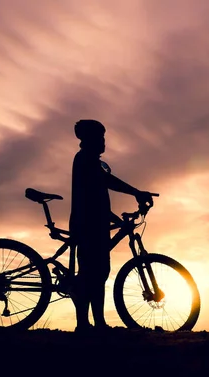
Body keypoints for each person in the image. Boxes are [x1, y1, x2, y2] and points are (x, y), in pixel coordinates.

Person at [69, 119, 154, 333]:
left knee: (97, 273)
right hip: (88, 224)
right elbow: (107, 182)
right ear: (90, 140)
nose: (104, 142)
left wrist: (114, 219)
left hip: (93, 221)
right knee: (92, 273)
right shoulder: (86, 160)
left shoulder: (90, 161)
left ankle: (96, 323)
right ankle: (86, 324)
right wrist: (136, 192)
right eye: (100, 138)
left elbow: (95, 196)